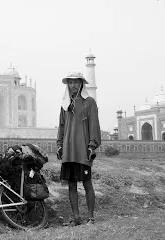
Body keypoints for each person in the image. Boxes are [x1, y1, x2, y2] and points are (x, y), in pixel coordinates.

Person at [56, 71, 101, 226]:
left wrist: (92, 146)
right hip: (69, 151)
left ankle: (90, 217)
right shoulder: (65, 104)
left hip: (83, 151)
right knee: (71, 184)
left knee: (87, 183)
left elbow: (94, 126)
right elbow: (61, 127)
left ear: (81, 83)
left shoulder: (89, 102)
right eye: (70, 82)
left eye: (76, 82)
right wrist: (59, 144)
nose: (73, 85)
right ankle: (76, 218)